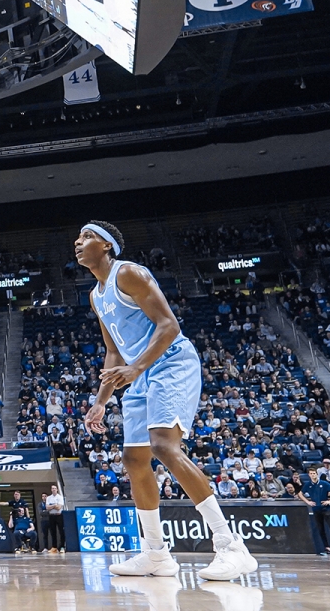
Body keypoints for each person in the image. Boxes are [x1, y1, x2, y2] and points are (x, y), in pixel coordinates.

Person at [78, 221, 255, 581]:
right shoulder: (97, 296)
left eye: (87, 237)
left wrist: (136, 367)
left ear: (108, 246)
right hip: (140, 373)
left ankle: (231, 546)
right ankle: (155, 555)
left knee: (163, 445)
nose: (79, 243)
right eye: (77, 239)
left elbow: (169, 325)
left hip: (171, 362)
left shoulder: (127, 273)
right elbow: (113, 351)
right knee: (133, 457)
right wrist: (100, 401)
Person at [300, 467, 330, 556]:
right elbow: (300, 493)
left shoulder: (323, 483)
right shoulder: (308, 485)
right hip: (316, 509)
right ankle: (327, 547)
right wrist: (307, 502)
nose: (313, 475)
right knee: (320, 529)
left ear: (316, 474)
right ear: (309, 475)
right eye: (311, 473)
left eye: (314, 473)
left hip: (326, 509)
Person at [43, 484, 66, 552]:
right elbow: (47, 508)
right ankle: (54, 547)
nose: (53, 489)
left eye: (55, 488)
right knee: (53, 532)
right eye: (52, 488)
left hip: (59, 515)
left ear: (57, 489)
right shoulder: (48, 498)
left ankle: (62, 546)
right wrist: (55, 505)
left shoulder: (60, 497)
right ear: (51, 489)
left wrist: (51, 506)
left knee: (61, 531)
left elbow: (59, 507)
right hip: (51, 516)